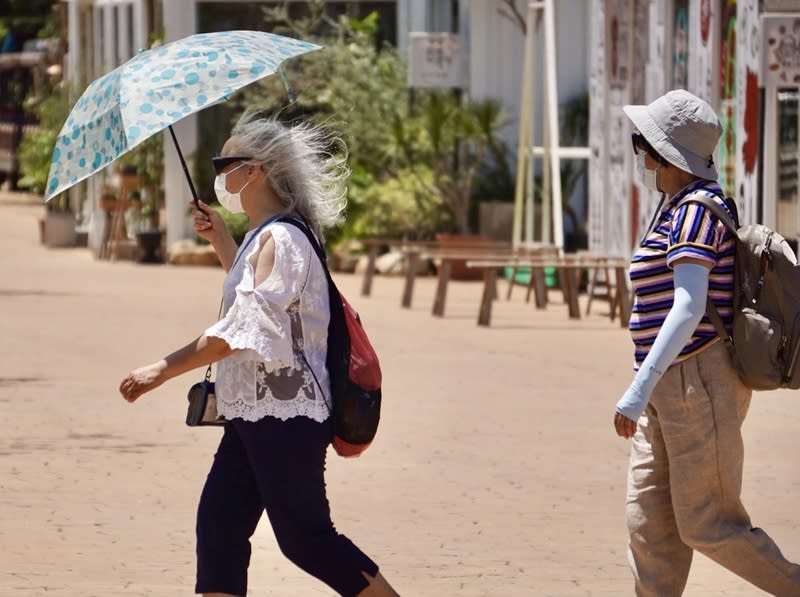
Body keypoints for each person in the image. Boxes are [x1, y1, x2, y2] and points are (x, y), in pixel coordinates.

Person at [119, 111, 401, 597]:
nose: (219, 173)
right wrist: (223, 242)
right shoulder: (264, 236)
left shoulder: (284, 239)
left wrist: (160, 370)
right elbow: (261, 301)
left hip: (285, 416)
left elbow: (240, 332)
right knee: (220, 530)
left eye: (225, 161)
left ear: (256, 170)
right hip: (254, 411)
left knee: (307, 541)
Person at [614, 89, 800, 596]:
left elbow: (689, 306)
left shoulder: (697, 209)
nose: (640, 154)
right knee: (650, 528)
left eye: (642, 142)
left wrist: (637, 387)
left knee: (708, 524)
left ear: (663, 152)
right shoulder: (674, 206)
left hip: (698, 381)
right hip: (666, 385)